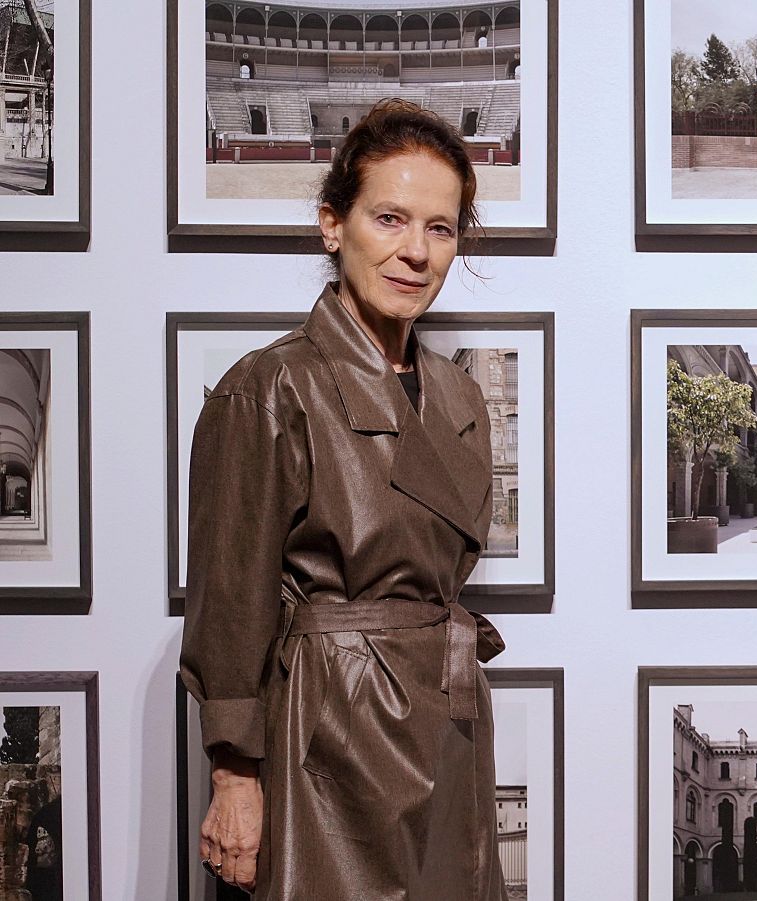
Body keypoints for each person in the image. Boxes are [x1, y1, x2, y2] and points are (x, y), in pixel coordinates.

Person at [179, 98, 507, 900]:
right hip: (324, 741)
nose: (415, 251)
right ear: (333, 225)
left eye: (440, 228)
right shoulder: (269, 387)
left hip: (448, 725)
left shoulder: (461, 396)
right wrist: (234, 777)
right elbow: (230, 604)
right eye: (390, 218)